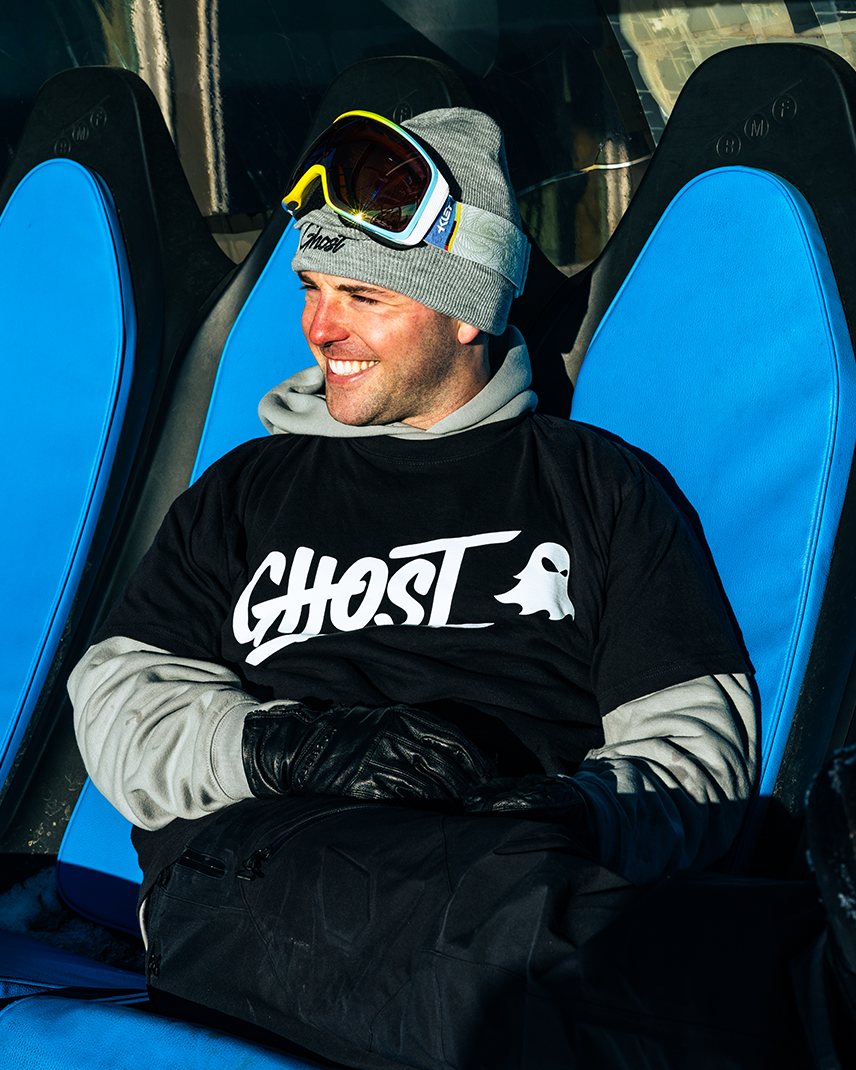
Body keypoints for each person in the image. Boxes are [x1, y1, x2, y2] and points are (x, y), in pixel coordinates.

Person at [68, 106, 855, 1069]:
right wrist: (282, 748)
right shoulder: (249, 488)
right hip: (255, 865)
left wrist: (579, 810)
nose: (319, 328)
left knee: (509, 919)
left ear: (467, 310)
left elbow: (695, 747)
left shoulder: (596, 485)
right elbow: (115, 701)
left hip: (517, 870)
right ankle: (810, 1001)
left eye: (362, 296)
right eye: (313, 287)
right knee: (488, 931)